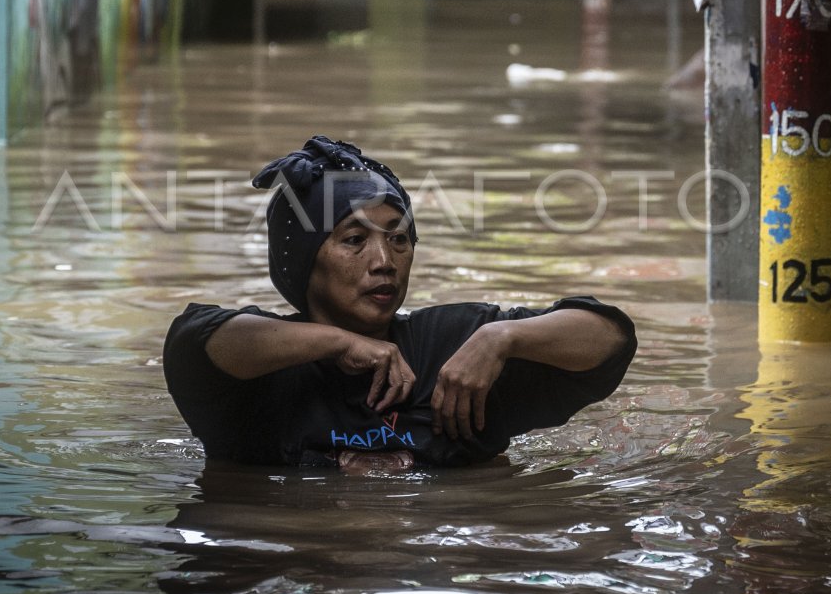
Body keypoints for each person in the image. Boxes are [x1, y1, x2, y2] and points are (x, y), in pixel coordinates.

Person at [163, 136, 636, 469]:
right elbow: (195, 340)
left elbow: (608, 336)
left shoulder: (450, 349)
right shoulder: (260, 373)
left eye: (400, 240)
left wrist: (501, 338)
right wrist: (338, 344)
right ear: (304, 263)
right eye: (354, 241)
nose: (384, 261)